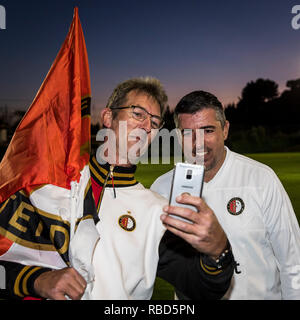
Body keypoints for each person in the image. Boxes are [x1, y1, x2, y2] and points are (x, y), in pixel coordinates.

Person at [0, 78, 235, 300]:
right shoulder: (49, 185)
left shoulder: (158, 210)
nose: (146, 127)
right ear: (108, 117)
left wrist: (218, 252)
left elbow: (201, 288)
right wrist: (35, 280)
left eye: (154, 123)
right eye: (137, 114)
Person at [151, 90, 300, 300]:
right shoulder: (163, 188)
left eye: (208, 130)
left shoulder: (261, 179)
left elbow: (293, 262)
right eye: (188, 133)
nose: (198, 143)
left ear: (225, 130)